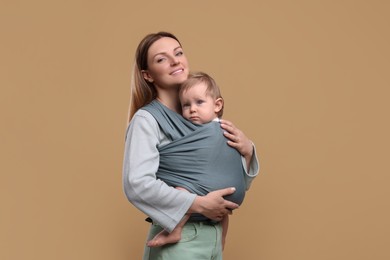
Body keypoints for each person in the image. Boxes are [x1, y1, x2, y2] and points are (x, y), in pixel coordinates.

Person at [123, 32, 259, 260]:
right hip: (179, 242)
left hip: (214, 237)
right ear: (148, 75)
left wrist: (247, 151)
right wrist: (198, 203)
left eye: (178, 53)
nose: (175, 61)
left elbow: (220, 175)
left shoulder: (199, 113)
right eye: (161, 59)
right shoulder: (147, 120)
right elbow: (136, 184)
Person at [146, 72, 249, 249]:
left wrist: (248, 149)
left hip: (222, 198)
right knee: (182, 192)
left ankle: (221, 240)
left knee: (213, 209)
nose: (192, 109)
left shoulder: (225, 128)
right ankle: (177, 230)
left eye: (199, 102)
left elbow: (234, 156)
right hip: (203, 191)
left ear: (217, 105)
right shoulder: (187, 130)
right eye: (186, 105)